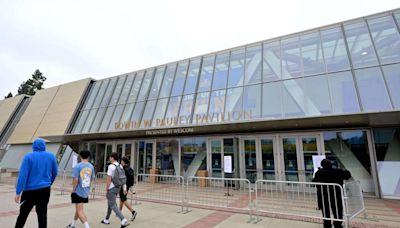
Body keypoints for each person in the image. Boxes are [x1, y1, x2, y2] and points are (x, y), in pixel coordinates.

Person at [14, 138, 58, 228]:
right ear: (44, 146)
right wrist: (49, 183)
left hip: (29, 191)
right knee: (42, 214)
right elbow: (55, 172)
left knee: (23, 214)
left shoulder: (28, 157)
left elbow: (23, 175)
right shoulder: (51, 156)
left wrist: (18, 192)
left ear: (33, 146)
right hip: (45, 190)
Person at [312, 159, 352, 228]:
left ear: (322, 165)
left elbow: (315, 182)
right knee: (338, 209)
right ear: (331, 164)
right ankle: (337, 224)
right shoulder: (338, 171)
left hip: (323, 194)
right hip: (336, 194)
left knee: (325, 210)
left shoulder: (319, 172)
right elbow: (348, 175)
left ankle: (327, 224)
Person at [66, 150, 95, 228]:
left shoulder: (77, 166)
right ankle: (72, 225)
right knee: (79, 209)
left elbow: (75, 180)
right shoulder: (91, 166)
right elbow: (92, 179)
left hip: (78, 191)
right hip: (86, 191)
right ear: (88, 157)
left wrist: (73, 190)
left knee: (80, 211)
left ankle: (87, 226)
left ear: (80, 156)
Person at [101, 152, 129, 228]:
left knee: (112, 204)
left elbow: (109, 179)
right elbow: (123, 178)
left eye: (110, 157)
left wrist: (106, 188)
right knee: (110, 203)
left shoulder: (111, 166)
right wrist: (124, 188)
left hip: (111, 188)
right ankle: (106, 219)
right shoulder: (120, 166)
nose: (109, 159)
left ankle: (123, 220)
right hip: (118, 187)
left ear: (112, 158)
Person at [119, 157, 137, 221]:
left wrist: (124, 188)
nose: (121, 162)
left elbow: (122, 178)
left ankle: (133, 212)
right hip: (128, 186)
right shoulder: (130, 169)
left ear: (123, 162)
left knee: (123, 199)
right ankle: (119, 212)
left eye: (121, 161)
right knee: (122, 198)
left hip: (124, 186)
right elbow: (132, 179)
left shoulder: (123, 169)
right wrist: (131, 187)